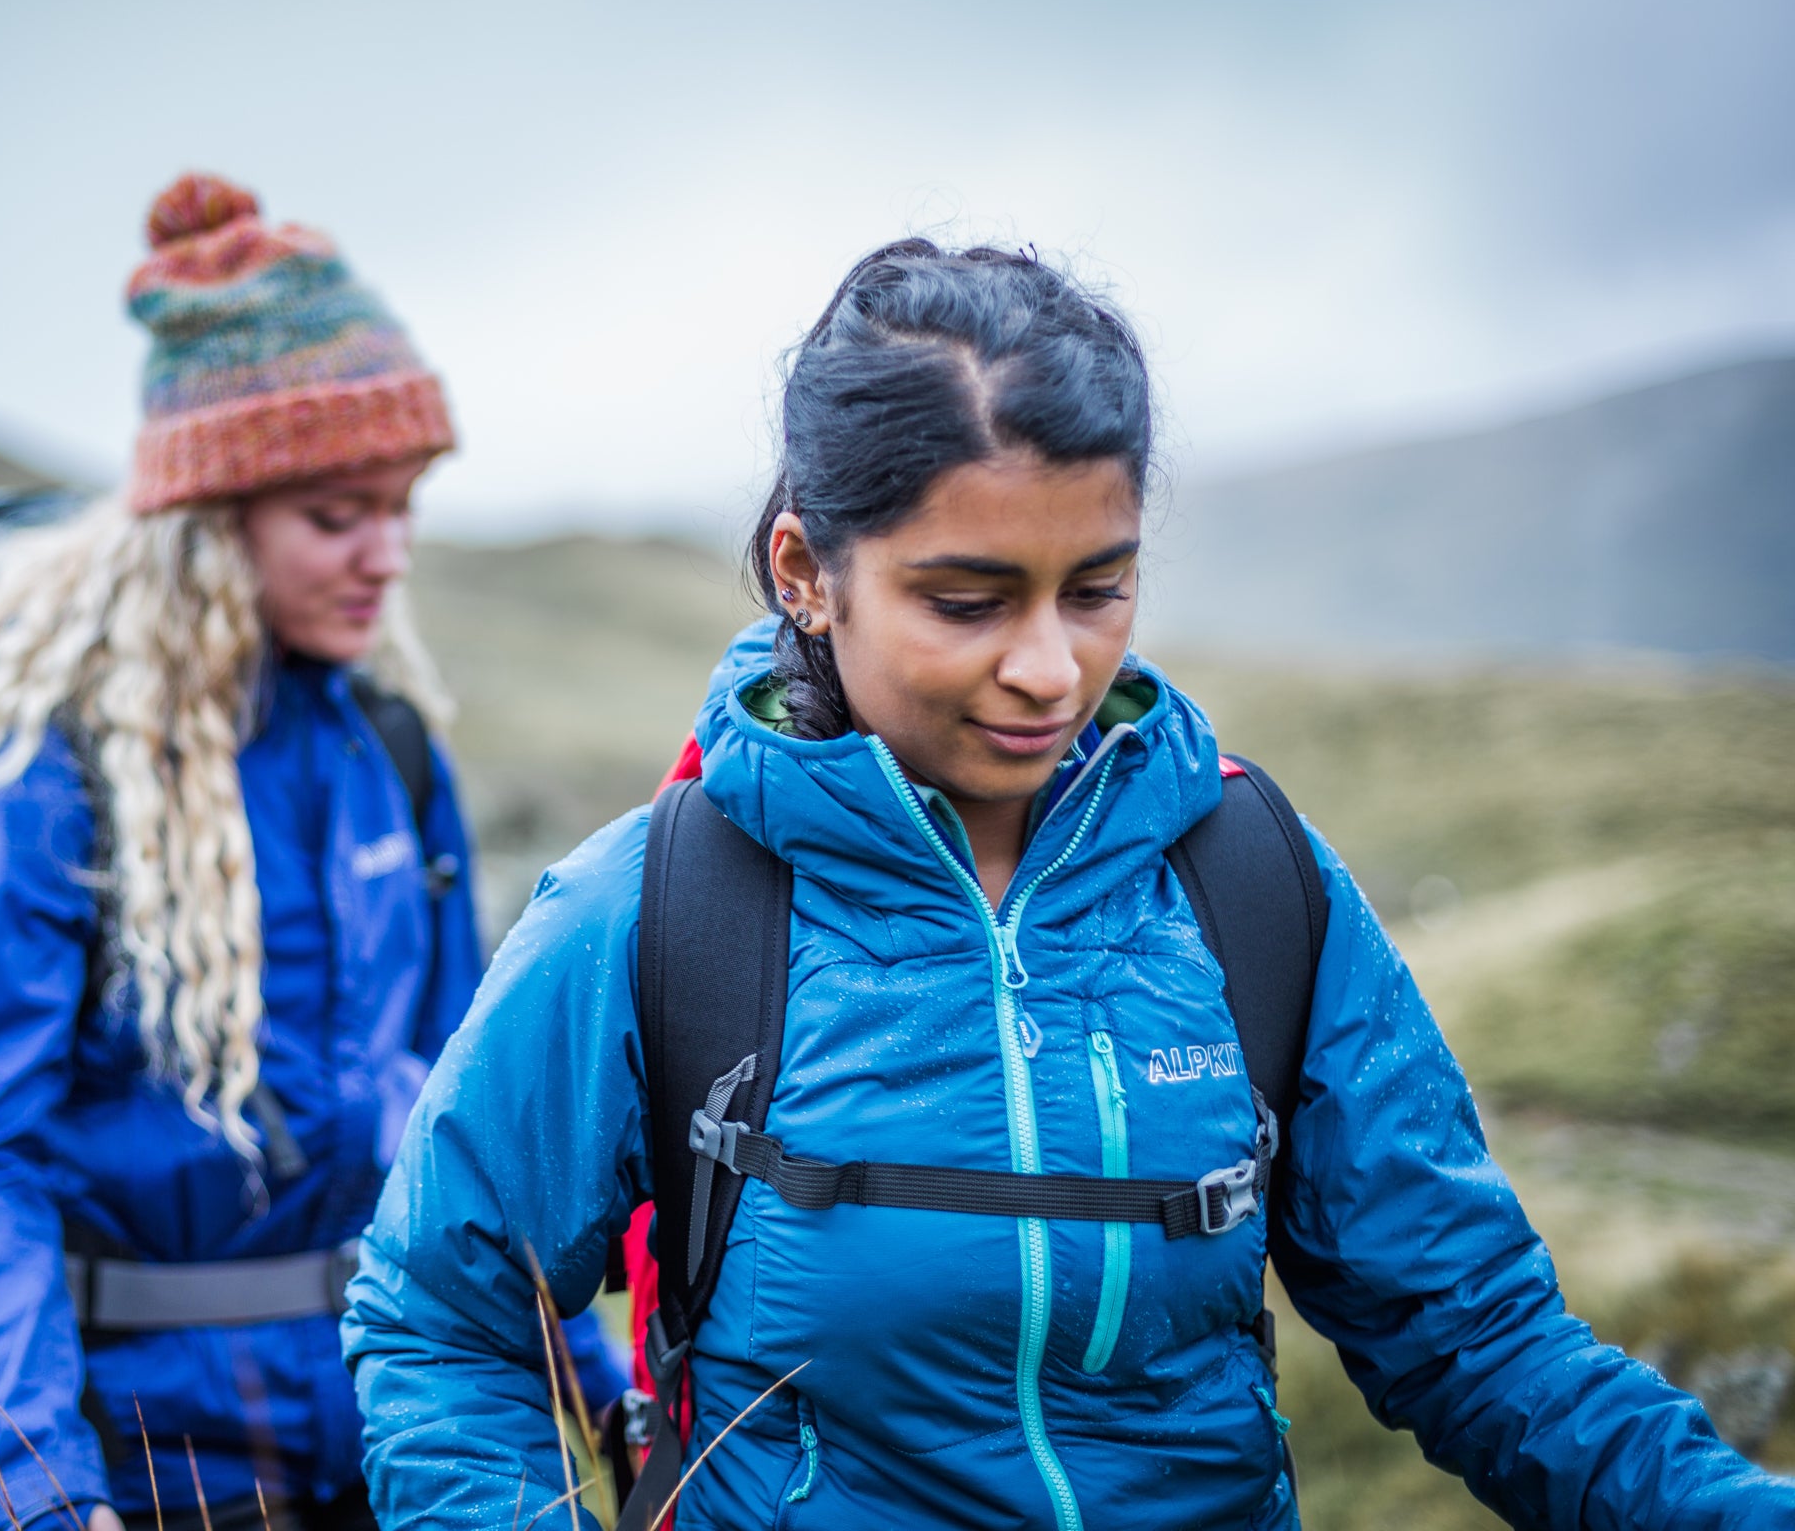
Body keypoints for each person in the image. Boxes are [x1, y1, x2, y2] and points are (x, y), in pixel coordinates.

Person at [341, 239, 1795, 1529]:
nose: (1048, 669)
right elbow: (443, 1322)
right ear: (805, 571)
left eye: (1097, 588)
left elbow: (1478, 1342)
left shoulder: (1251, 885)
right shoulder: (654, 914)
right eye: (967, 602)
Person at [0, 174, 622, 1531]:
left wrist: (596, 1388)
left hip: (394, 1439)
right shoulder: (53, 789)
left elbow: (474, 1115)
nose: (386, 557)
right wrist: (39, 1497)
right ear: (217, 523)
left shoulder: (392, 755)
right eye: (338, 517)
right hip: (155, 1466)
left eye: (401, 506)